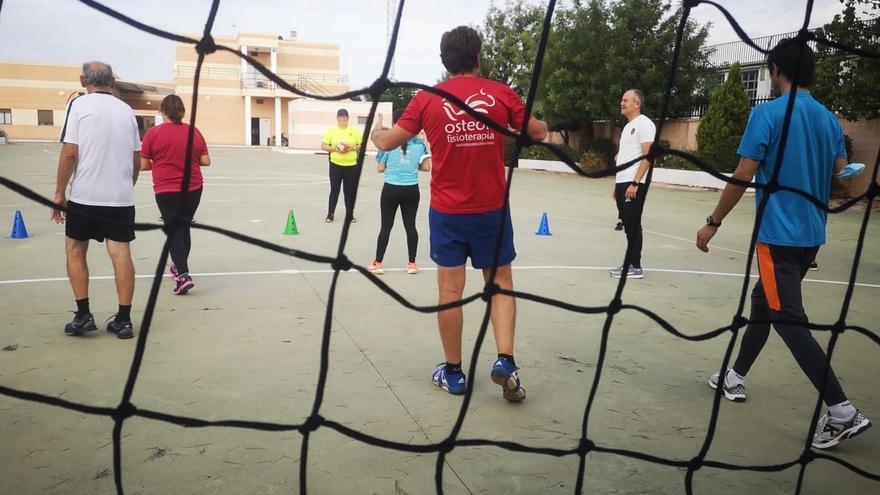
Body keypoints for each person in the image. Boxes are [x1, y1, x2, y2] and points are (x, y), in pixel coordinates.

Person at [695, 39, 871, 449]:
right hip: (812, 236)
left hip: (778, 236)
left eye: (769, 72)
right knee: (764, 305)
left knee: (788, 318)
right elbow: (845, 177)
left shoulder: (767, 114)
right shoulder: (829, 120)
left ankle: (842, 410)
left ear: (775, 69)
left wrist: (713, 222)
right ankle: (734, 376)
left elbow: (742, 174)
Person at [371, 26, 548, 401]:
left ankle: (453, 373)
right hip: (492, 212)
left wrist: (375, 131)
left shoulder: (427, 98)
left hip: (447, 213)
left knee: (450, 292)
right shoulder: (501, 94)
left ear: (443, 61)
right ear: (478, 56)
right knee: (500, 284)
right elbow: (538, 132)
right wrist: (537, 122)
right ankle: (505, 360)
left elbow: (387, 141)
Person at [51, 61, 141, 340]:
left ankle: (83, 315)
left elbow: (69, 153)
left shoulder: (78, 106)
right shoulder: (127, 111)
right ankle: (124, 320)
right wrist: (126, 186)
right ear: (112, 80)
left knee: (75, 250)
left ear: (82, 80)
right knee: (121, 254)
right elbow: (136, 159)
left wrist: (59, 193)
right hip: (120, 198)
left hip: (86, 197)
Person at [140, 94, 211, 295]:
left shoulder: (153, 134)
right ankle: (179, 268)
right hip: (193, 188)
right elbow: (206, 161)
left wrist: (162, 162)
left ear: (163, 112)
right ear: (182, 112)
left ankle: (183, 275)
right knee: (183, 227)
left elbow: (144, 165)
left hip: (166, 189)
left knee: (174, 231)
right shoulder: (194, 132)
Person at [368, 112, 431, 275]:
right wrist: (410, 167)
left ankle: (378, 263)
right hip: (411, 189)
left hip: (391, 189)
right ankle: (411, 264)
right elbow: (426, 167)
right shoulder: (420, 144)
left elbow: (380, 168)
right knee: (410, 226)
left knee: (386, 227)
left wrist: (380, 121)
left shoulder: (388, 144)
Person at [611, 89, 655, 279]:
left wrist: (635, 183)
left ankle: (635, 267)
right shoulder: (629, 127)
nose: (622, 103)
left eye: (626, 100)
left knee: (633, 224)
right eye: (622, 100)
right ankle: (629, 264)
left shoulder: (644, 124)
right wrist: (617, 185)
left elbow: (648, 156)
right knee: (628, 225)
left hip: (634, 182)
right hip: (623, 181)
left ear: (637, 104)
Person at [320, 108, 362, 223]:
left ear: (348, 118)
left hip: (351, 166)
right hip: (335, 165)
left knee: (348, 192)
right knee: (334, 190)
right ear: (337, 118)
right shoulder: (332, 131)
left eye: (345, 116)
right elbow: (323, 146)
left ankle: (350, 215)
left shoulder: (354, 131)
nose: (343, 118)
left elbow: (361, 145)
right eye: (341, 116)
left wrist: (351, 148)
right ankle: (330, 214)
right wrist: (335, 149)